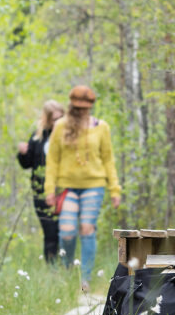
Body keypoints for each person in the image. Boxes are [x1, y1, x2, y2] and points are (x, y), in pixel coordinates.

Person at [43, 85, 121, 291]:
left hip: (94, 185)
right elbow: (52, 160)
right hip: (67, 186)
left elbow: (108, 159)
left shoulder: (101, 127)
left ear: (91, 107)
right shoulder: (60, 126)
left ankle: (84, 279)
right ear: (72, 106)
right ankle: (69, 272)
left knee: (87, 228)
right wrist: (49, 189)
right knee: (67, 232)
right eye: (78, 107)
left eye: (86, 107)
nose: (82, 111)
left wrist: (115, 189)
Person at [17, 100, 65, 264]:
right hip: (41, 191)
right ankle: (53, 268)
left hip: (64, 190)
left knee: (65, 230)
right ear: (47, 119)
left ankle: (67, 265)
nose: (58, 122)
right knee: (50, 231)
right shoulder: (38, 137)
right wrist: (23, 153)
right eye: (54, 119)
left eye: (61, 118)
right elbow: (27, 164)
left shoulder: (69, 135)